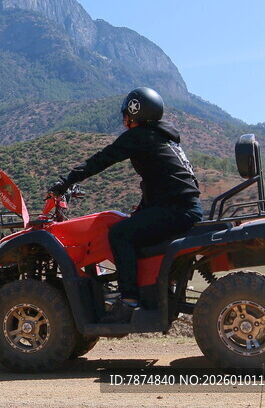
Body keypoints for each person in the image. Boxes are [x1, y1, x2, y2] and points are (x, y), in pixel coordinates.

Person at [48, 87, 202, 323]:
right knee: (132, 226)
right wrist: (143, 208)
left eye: (126, 114)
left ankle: (129, 301)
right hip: (183, 207)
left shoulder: (140, 136)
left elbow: (102, 159)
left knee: (120, 234)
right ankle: (156, 288)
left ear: (134, 111)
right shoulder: (164, 138)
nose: (124, 120)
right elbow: (162, 181)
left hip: (176, 209)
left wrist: (65, 181)